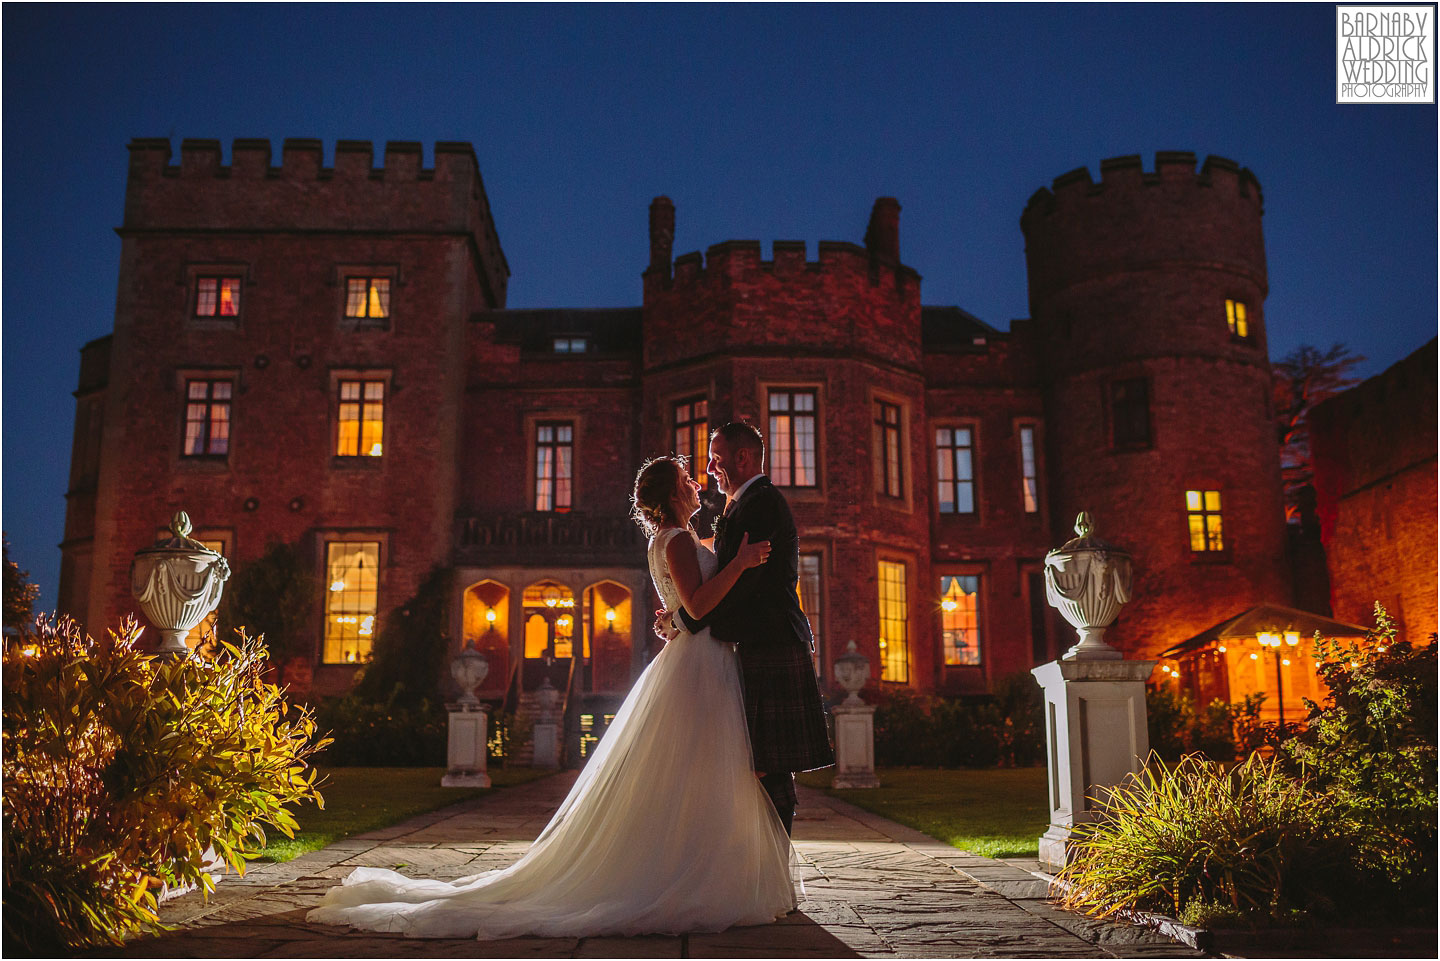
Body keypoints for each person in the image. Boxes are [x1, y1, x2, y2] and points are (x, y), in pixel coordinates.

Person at [307, 455, 796, 939]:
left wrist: (690, 597)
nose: (696, 483)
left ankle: (691, 862)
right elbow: (698, 605)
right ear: (672, 494)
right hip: (701, 663)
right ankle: (688, 874)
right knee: (704, 767)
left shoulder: (671, 540)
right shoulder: (680, 542)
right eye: (688, 479)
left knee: (693, 772)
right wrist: (740, 565)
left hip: (692, 660)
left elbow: (684, 597)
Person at [655, 421, 834, 834]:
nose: (710, 467)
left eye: (717, 458)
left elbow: (745, 587)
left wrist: (681, 619)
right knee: (760, 764)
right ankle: (767, 871)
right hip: (755, 643)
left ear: (743, 457)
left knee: (770, 766)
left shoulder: (762, 504)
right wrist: (681, 614)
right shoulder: (741, 504)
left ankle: (774, 871)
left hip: (771, 641)